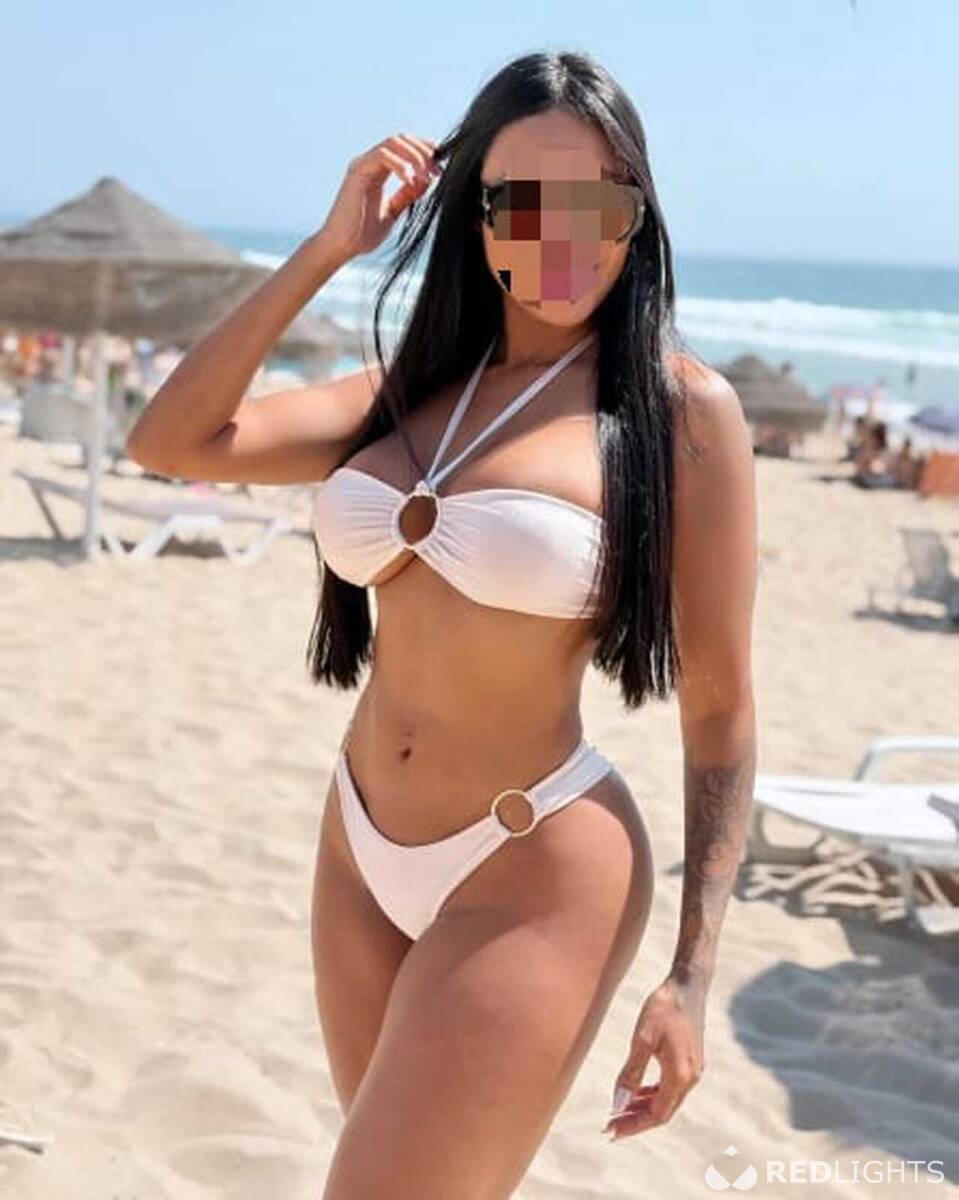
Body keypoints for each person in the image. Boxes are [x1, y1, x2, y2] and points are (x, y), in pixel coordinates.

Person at [126, 50, 757, 1199]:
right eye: (525, 203)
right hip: (357, 846)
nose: (562, 237)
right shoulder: (408, 388)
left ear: (637, 213)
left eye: (597, 202)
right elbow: (171, 440)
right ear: (476, 213)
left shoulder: (679, 414)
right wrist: (328, 249)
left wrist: (690, 976)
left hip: (532, 863)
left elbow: (719, 713)